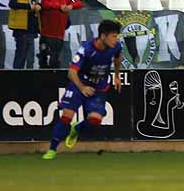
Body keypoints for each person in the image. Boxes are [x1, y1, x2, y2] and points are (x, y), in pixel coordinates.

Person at [43, 19, 124, 160]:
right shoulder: (87, 49)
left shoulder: (115, 46)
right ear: (103, 36)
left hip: (99, 86)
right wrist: (82, 87)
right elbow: (71, 72)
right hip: (79, 83)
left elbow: (118, 58)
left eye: (116, 36)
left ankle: (77, 129)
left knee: (95, 121)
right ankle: (52, 149)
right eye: (113, 36)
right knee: (66, 116)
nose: (115, 39)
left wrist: (117, 76)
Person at [38, 0, 84, 69]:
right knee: (43, 59)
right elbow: (45, 4)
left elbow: (79, 3)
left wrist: (71, 6)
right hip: (46, 34)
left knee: (55, 60)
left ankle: (53, 81)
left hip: (59, 35)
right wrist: (60, 7)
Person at [8, 0, 42, 69]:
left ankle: (28, 75)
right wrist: (29, 6)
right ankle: (17, 74)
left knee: (30, 55)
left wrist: (38, 6)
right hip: (21, 28)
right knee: (21, 54)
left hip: (31, 27)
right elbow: (12, 4)